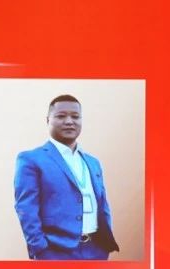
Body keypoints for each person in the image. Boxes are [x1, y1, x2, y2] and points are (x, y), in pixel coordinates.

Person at [13, 94, 119, 260]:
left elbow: (102, 204)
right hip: (55, 252)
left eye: (75, 117)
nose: (69, 121)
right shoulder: (31, 159)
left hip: (97, 250)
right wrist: (39, 248)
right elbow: (26, 208)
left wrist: (105, 244)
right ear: (48, 120)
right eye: (61, 116)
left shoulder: (93, 162)